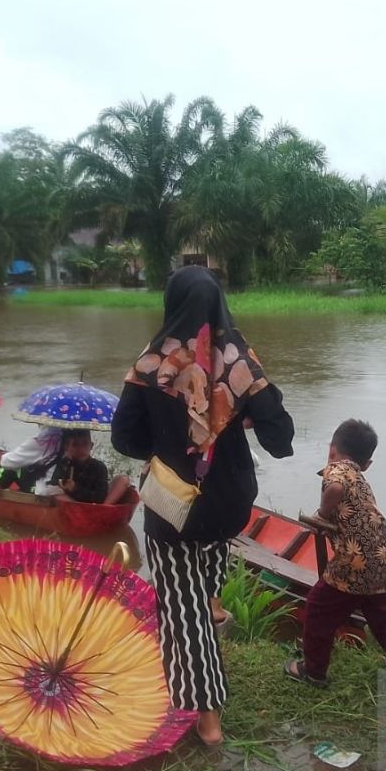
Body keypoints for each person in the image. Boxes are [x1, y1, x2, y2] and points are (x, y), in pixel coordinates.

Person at [111, 265, 295, 746]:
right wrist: (236, 421)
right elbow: (281, 437)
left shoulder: (151, 363)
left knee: (179, 610)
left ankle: (208, 720)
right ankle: (209, 601)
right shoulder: (239, 361)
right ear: (218, 304)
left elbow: (125, 438)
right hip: (229, 500)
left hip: (173, 504)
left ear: (172, 303)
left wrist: (171, 441)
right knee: (208, 560)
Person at [284, 420, 386, 689]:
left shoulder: (337, 470)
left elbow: (334, 487)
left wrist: (321, 514)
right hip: (381, 558)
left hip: (353, 562)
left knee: (319, 610)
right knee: (381, 614)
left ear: (332, 450)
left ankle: (313, 671)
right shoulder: (361, 478)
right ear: (367, 463)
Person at [41, 430, 132, 504]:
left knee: (123, 479)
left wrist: (75, 489)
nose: (80, 449)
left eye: (85, 444)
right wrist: (62, 484)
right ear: (66, 446)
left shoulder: (99, 467)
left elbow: (100, 497)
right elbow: (53, 485)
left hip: (94, 505)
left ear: (91, 445)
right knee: (54, 493)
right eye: (75, 444)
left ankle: (101, 510)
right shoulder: (64, 464)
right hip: (71, 503)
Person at [0, 426, 64, 491]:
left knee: (9, 468)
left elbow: (6, 462)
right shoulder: (64, 438)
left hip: (40, 489)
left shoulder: (42, 439)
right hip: (56, 484)